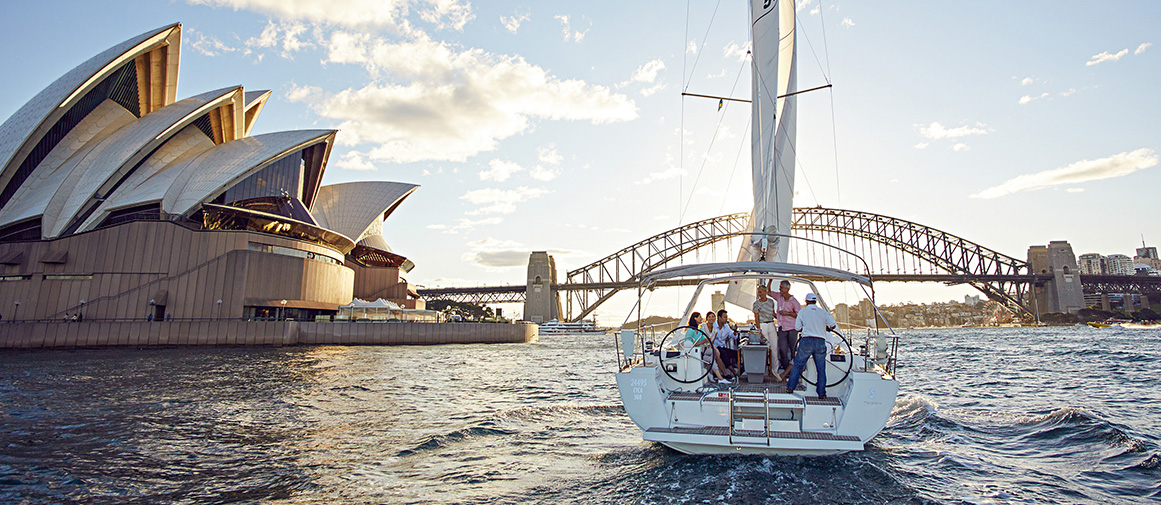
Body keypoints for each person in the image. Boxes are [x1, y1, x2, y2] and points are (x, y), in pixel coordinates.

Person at [786, 292, 837, 399]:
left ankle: (790, 388)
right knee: (821, 369)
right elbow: (833, 325)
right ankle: (821, 393)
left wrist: (806, 328)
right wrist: (825, 328)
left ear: (806, 301)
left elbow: (797, 328)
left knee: (798, 365)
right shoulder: (823, 313)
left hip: (806, 341)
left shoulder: (803, 312)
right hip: (820, 342)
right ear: (815, 301)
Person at [683, 312, 730, 384]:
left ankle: (715, 376)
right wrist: (702, 342)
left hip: (701, 353)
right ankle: (718, 377)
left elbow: (707, 340)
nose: (701, 318)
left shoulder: (700, 330)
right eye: (699, 317)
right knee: (711, 358)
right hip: (693, 355)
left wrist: (713, 346)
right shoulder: (690, 330)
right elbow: (688, 345)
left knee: (711, 357)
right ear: (695, 318)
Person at [772, 280, 802, 379]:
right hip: (782, 328)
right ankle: (787, 371)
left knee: (793, 350)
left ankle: (795, 371)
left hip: (792, 328)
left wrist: (787, 313)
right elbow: (768, 292)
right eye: (780, 287)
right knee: (782, 350)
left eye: (781, 287)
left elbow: (799, 315)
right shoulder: (778, 297)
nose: (779, 289)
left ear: (787, 289)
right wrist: (770, 279)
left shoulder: (794, 301)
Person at [752, 283, 778, 379]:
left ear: (765, 292)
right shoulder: (756, 304)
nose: (760, 294)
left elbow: (773, 313)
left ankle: (775, 371)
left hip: (771, 324)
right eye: (758, 292)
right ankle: (763, 371)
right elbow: (756, 319)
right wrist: (759, 331)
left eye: (761, 292)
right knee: (764, 350)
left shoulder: (771, 302)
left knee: (774, 348)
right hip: (762, 325)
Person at [714, 309, 739, 375]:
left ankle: (740, 369)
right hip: (715, 347)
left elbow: (733, 336)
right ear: (719, 318)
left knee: (736, 353)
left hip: (723, 347)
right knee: (723, 353)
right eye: (725, 317)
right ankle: (733, 371)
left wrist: (735, 331)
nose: (726, 319)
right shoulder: (713, 326)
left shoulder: (726, 327)